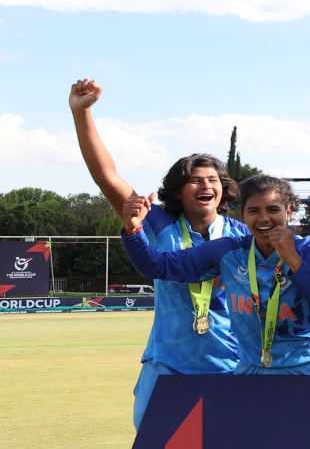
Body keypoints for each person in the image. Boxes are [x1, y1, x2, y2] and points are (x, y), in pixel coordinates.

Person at [68, 79, 247, 426]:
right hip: (167, 366)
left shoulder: (242, 236)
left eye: (213, 179)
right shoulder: (156, 221)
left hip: (231, 366)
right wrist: (82, 112)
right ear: (178, 191)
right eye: (196, 179)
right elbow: (106, 175)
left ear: (223, 190)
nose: (206, 185)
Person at [119, 176, 310, 374]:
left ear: (288, 212)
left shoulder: (309, 250)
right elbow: (158, 267)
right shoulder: (229, 251)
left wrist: (293, 260)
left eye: (273, 209)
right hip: (250, 371)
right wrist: (133, 230)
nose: (264, 218)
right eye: (254, 211)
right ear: (243, 216)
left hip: (307, 370)